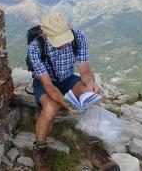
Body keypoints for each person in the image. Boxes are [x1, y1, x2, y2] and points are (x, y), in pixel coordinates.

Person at [28, 12, 120, 171]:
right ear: (46, 35)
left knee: (93, 99)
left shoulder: (77, 37)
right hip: (45, 82)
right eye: (59, 42)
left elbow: (84, 70)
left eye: (66, 40)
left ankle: (92, 146)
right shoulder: (36, 47)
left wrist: (91, 84)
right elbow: (48, 85)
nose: (65, 45)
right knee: (51, 108)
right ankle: (40, 149)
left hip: (68, 78)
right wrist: (65, 103)